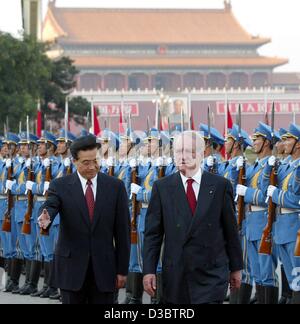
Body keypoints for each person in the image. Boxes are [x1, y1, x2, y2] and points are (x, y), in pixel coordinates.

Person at [143, 131, 243, 304]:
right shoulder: (162, 188)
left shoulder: (220, 186)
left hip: (211, 274)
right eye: (178, 151)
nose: (182, 156)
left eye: (188, 151)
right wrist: (149, 270)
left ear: (201, 153)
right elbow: (153, 234)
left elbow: (230, 231)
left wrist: (236, 268)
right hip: (176, 274)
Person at [38, 135, 130, 304]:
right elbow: (50, 205)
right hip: (71, 269)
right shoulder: (60, 185)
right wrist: (45, 216)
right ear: (74, 161)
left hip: (104, 270)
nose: (92, 166)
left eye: (95, 160)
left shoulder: (115, 187)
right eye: (86, 162)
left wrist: (122, 270)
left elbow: (123, 232)